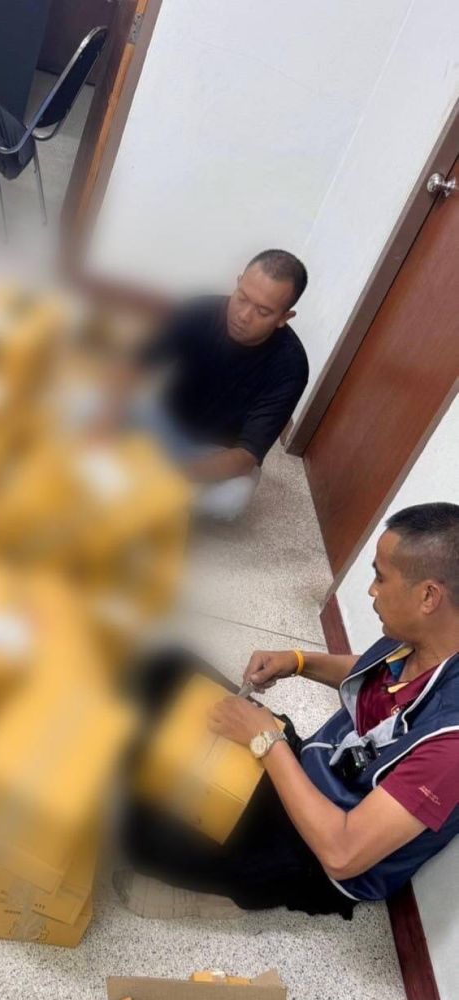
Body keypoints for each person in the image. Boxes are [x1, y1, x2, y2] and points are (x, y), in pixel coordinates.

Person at [120, 502, 459, 917]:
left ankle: (235, 893)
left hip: (311, 855)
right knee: (169, 667)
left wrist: (266, 741)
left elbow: (343, 854)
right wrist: (298, 661)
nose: (372, 590)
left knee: (132, 829)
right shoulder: (425, 637)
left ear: (428, 596)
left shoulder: (450, 749)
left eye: (381, 577)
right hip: (304, 768)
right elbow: (374, 673)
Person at [99, 249, 309, 521]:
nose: (244, 315)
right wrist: (107, 418)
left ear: (284, 317)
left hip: (213, 452)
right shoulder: (198, 311)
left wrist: (170, 474)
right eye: (242, 298)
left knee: (233, 497)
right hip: (162, 421)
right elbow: (133, 366)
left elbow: (245, 456)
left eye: (262, 311)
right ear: (238, 282)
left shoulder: (290, 367)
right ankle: (145, 487)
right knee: (87, 402)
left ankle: (144, 488)